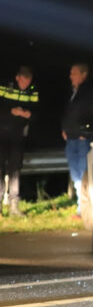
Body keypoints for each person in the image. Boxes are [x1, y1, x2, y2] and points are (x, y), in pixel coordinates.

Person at [0, 66, 39, 216]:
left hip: (18, 136)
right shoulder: (5, 86)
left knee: (15, 170)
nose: (25, 86)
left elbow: (37, 112)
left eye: (28, 82)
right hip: (2, 134)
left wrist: (29, 114)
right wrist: (11, 112)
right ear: (17, 78)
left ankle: (13, 206)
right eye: (23, 82)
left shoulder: (32, 90)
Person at [62, 63, 93, 215]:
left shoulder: (89, 91)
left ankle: (85, 206)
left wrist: (86, 131)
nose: (71, 76)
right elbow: (67, 112)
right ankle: (81, 205)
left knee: (83, 172)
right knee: (75, 173)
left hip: (83, 139)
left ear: (83, 75)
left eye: (74, 73)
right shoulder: (72, 92)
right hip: (71, 137)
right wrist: (64, 128)